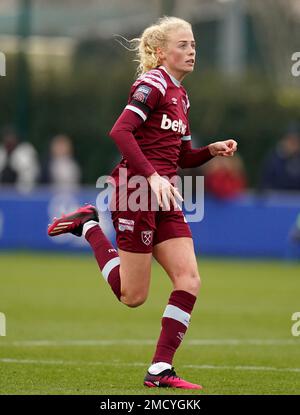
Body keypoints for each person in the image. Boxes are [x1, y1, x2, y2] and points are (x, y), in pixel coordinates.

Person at [48, 16, 237, 389]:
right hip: (134, 191)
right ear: (160, 51)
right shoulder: (152, 84)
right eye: (183, 44)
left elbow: (181, 157)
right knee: (132, 296)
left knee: (189, 279)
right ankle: (88, 225)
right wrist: (150, 176)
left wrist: (210, 151)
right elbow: (120, 131)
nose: (191, 50)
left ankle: (159, 369)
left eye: (194, 44)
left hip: (163, 195)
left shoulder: (181, 96)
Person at [261, 124, 300, 191]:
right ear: (283, 141)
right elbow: (265, 184)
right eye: (290, 140)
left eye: (296, 141)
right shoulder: (274, 159)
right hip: (277, 199)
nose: (293, 144)